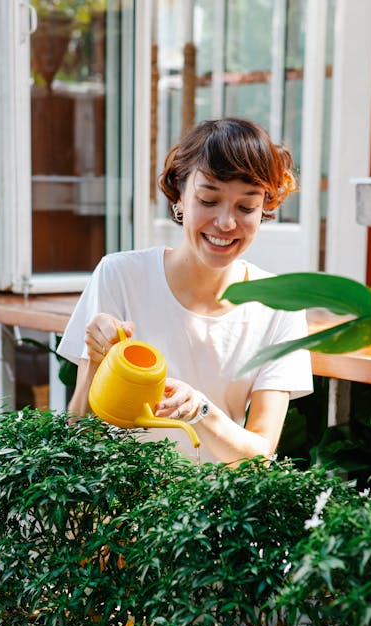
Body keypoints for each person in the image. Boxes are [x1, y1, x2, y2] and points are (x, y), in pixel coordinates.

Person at [57, 117, 313, 465]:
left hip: (212, 515)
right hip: (122, 509)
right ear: (180, 193)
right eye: (208, 200)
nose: (226, 223)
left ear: (264, 207)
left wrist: (200, 409)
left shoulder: (279, 307)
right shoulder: (121, 276)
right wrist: (96, 359)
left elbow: (260, 455)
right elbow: (80, 431)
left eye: (246, 207)